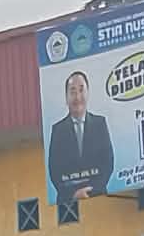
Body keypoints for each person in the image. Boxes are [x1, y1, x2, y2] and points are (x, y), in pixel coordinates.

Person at [47, 70, 115, 208]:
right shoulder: (57, 130)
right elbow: (54, 171)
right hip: (68, 205)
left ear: (88, 93)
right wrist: (74, 194)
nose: (77, 97)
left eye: (81, 90)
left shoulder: (100, 124)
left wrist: (90, 191)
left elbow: (108, 163)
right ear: (66, 98)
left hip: (99, 199)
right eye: (72, 92)